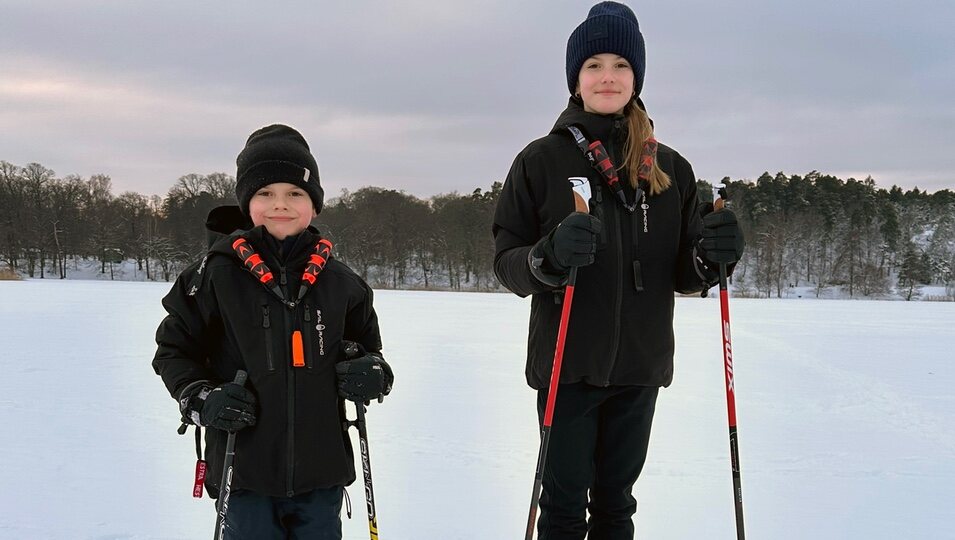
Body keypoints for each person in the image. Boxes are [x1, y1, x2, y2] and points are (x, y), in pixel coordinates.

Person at [492, 3, 744, 538]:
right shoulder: (540, 160)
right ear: (575, 80)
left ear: (638, 77)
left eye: (621, 65)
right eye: (593, 65)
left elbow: (686, 270)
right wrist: (549, 257)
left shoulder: (670, 167)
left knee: (616, 506)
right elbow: (507, 263)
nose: (607, 76)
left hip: (639, 368)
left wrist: (712, 255)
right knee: (562, 508)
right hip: (567, 366)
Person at [152, 124, 393, 539]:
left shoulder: (343, 282)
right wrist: (201, 398)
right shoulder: (213, 275)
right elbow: (173, 351)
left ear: (314, 204)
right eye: (265, 194)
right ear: (247, 203)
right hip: (244, 473)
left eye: (295, 194)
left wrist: (373, 373)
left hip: (322, 475)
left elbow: (370, 352)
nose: (280, 205)